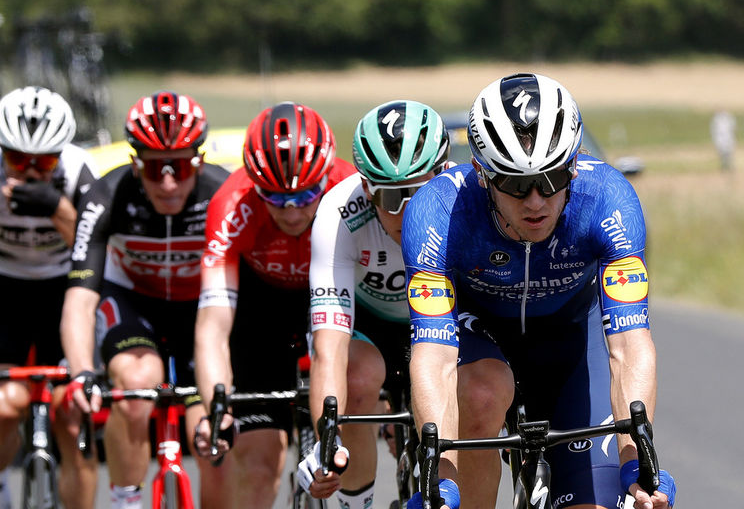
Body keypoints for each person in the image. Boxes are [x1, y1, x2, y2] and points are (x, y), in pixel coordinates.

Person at [401, 73, 676, 509]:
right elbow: (433, 355)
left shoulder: (608, 198)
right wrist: (442, 476)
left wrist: (637, 462)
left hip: (569, 338)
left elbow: (628, 343)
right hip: (479, 336)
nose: (535, 201)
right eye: (513, 183)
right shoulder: (437, 210)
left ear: (574, 164)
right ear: (481, 174)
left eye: (551, 179)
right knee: (481, 394)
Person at [60, 91, 229, 509]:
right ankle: (125, 500)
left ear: (200, 162)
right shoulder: (107, 194)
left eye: (182, 165)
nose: (168, 181)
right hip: (133, 303)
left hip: (200, 312)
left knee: (211, 434)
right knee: (136, 388)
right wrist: (82, 371)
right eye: (155, 167)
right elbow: (80, 297)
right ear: (136, 162)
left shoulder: (224, 194)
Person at [193, 101, 355, 509]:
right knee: (260, 462)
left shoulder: (350, 187)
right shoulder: (231, 205)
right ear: (255, 186)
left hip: (340, 296)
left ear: (326, 178)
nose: (293, 210)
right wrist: (218, 406)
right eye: (276, 197)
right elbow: (213, 326)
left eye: (305, 195)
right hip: (260, 312)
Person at [298, 100, 451, 505]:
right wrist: (325, 442)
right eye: (390, 197)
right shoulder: (338, 212)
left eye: (418, 192)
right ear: (366, 187)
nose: (406, 211)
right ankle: (355, 500)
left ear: (444, 175)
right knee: (357, 373)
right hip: (371, 326)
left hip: (443, 322)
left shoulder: (467, 204)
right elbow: (329, 349)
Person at [0, 86, 98, 509]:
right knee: (4, 408)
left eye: (44, 161)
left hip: (64, 285)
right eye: (18, 159)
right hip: (6, 286)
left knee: (73, 417)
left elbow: (96, 248)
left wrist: (57, 207)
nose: (31, 171)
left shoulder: (79, 171)